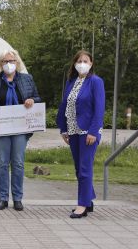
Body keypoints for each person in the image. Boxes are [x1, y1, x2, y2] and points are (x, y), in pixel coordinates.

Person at [0, 49, 41, 211]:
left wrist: (31, 100)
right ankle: (3, 198)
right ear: (1, 64)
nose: (9, 64)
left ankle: (18, 198)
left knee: (19, 163)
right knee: (2, 163)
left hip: (20, 128)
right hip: (0, 127)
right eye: (5, 61)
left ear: (17, 63)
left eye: (12, 61)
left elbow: (37, 97)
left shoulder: (27, 79)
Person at [56, 50, 105, 219]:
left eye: (86, 61)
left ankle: (82, 205)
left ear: (91, 64)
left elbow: (99, 109)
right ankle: (88, 200)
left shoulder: (96, 82)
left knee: (85, 169)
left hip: (88, 132)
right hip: (73, 131)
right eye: (79, 61)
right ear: (74, 64)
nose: (82, 63)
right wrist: (63, 129)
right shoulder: (71, 82)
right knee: (79, 169)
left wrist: (93, 131)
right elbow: (64, 106)